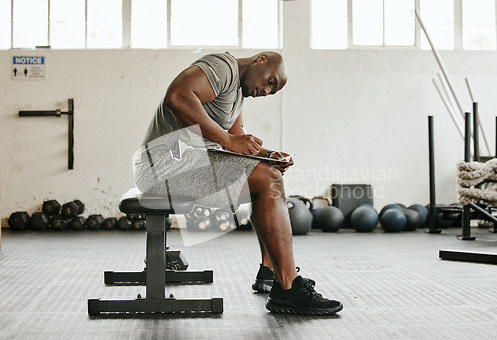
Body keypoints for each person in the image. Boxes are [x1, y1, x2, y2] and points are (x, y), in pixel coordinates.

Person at [134, 51, 343, 315]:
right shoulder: (222, 68)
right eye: (270, 82)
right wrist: (228, 140)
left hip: (183, 165)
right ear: (261, 59)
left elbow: (237, 145)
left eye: (272, 91)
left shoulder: (236, 97)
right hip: (162, 168)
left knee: (268, 174)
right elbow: (177, 96)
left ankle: (270, 273)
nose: (266, 91)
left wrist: (270, 155)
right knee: (268, 179)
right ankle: (287, 287)